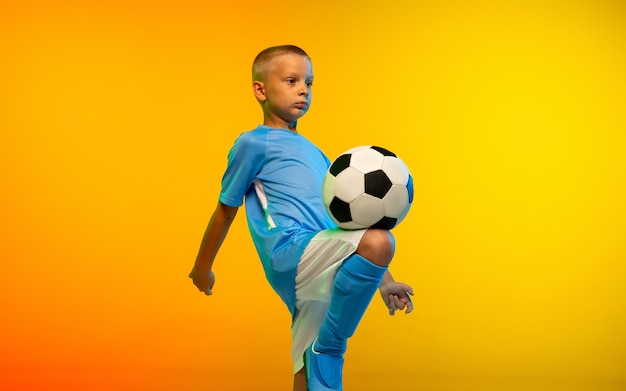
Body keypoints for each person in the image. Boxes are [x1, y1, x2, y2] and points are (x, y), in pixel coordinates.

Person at [189, 44, 414, 391]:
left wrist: (384, 281)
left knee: (309, 374)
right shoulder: (253, 144)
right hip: (291, 251)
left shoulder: (317, 153)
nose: (303, 90)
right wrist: (203, 266)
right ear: (260, 90)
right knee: (380, 240)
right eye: (292, 80)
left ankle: (321, 354)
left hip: (322, 256)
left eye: (309, 83)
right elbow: (225, 208)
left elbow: (341, 226)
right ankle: (331, 343)